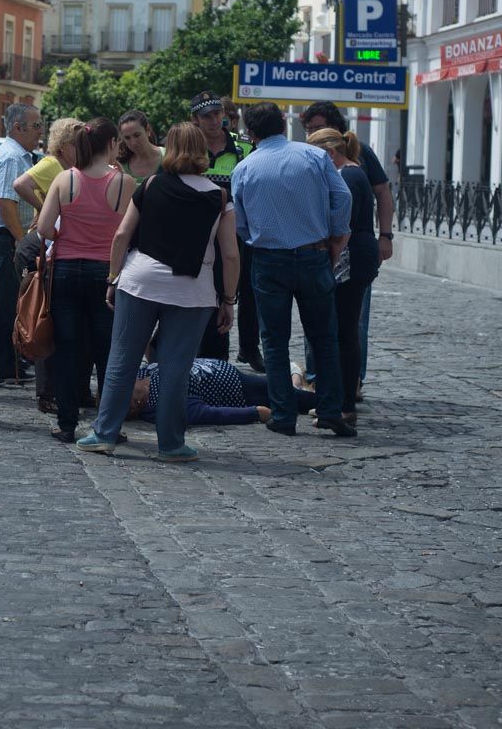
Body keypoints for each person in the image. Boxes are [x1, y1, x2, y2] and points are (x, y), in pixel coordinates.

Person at [76, 123, 239, 462]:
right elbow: (230, 255)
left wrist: (112, 277)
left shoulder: (150, 185)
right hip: (193, 291)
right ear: (203, 152)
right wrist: (228, 299)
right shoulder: (220, 196)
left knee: (122, 360)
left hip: (140, 281)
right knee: (176, 368)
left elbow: (121, 236)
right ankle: (171, 443)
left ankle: (104, 433)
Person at [236, 101, 355, 438]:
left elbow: (241, 224)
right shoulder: (315, 157)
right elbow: (342, 196)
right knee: (324, 338)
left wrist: (257, 237)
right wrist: (334, 237)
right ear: (284, 125)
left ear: (251, 132)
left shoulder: (244, 168)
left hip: (268, 258)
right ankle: (331, 410)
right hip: (313, 253)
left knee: (274, 341)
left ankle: (284, 415)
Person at [36, 118, 132, 443]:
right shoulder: (124, 183)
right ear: (111, 145)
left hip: (65, 271)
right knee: (107, 352)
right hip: (106, 273)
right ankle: (107, 427)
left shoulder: (66, 180)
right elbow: (129, 233)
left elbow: (44, 228)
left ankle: (66, 423)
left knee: (68, 349)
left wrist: (67, 234)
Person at [300, 101, 394, 395]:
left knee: (350, 322)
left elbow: (381, 195)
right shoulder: (326, 161)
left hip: (348, 252)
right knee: (327, 319)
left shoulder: (355, 162)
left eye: (317, 129)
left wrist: (386, 235)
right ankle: (320, 376)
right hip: (342, 249)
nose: (311, 135)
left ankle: (349, 383)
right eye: (308, 129)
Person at [310, 127, 380, 424]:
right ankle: (340, 399)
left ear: (330, 153)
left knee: (344, 331)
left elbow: (342, 222)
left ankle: (344, 403)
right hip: (355, 253)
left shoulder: (348, 176)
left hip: (351, 255)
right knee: (342, 330)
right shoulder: (350, 173)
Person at [189, 90, 259, 368]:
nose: (215, 120)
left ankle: (245, 351)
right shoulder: (189, 148)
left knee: (245, 294)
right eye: (207, 116)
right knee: (205, 297)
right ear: (196, 120)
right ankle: (204, 357)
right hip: (197, 235)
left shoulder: (245, 146)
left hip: (239, 233)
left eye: (218, 113)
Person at [0, 103, 42, 381]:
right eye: (37, 126)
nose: (41, 131)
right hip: (4, 239)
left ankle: (6, 363)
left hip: (5, 238)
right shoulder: (12, 157)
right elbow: (5, 203)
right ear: (18, 127)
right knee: (0, 306)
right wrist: (21, 240)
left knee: (7, 304)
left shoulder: (19, 155)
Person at [129, 358, 283, 427]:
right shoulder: (158, 405)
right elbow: (204, 413)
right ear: (137, 405)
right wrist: (255, 413)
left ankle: (296, 378)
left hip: (219, 369)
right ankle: (296, 378)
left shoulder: (139, 374)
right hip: (235, 388)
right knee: (291, 396)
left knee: (282, 388)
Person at [13, 117, 81, 213]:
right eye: (75, 143)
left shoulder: (71, 166)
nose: (81, 146)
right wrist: (42, 209)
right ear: (61, 145)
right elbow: (20, 184)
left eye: (82, 142)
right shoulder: (52, 163)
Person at [117, 109, 162, 184]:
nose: (133, 142)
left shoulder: (169, 156)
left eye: (137, 135)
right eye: (127, 138)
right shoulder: (120, 166)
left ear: (148, 130)